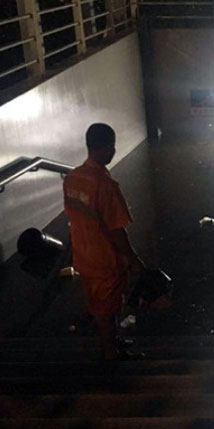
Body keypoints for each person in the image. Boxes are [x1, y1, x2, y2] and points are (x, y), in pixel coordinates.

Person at [63, 123, 144, 360]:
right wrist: (133, 259)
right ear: (106, 147)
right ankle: (111, 354)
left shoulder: (73, 178)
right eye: (112, 146)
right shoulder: (105, 186)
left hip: (83, 254)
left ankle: (113, 342)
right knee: (106, 308)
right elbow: (117, 230)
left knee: (98, 302)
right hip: (105, 257)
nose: (114, 151)